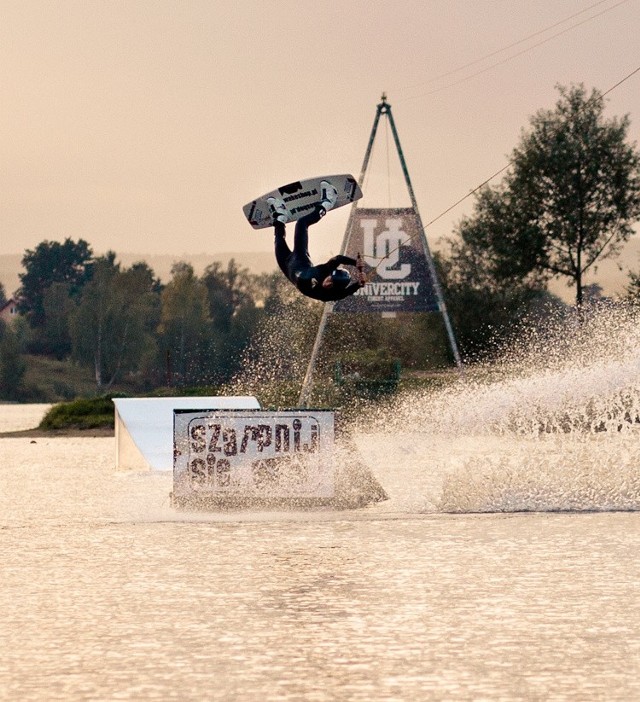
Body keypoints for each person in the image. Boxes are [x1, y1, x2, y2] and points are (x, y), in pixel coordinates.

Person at [270, 180, 366, 302]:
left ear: (335, 289)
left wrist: (358, 284)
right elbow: (338, 259)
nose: (327, 282)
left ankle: (280, 216)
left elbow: (345, 292)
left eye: (331, 284)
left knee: (278, 240)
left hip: (286, 266)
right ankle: (327, 202)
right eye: (330, 279)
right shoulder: (325, 271)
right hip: (300, 258)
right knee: (301, 223)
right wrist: (355, 262)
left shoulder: (328, 295)